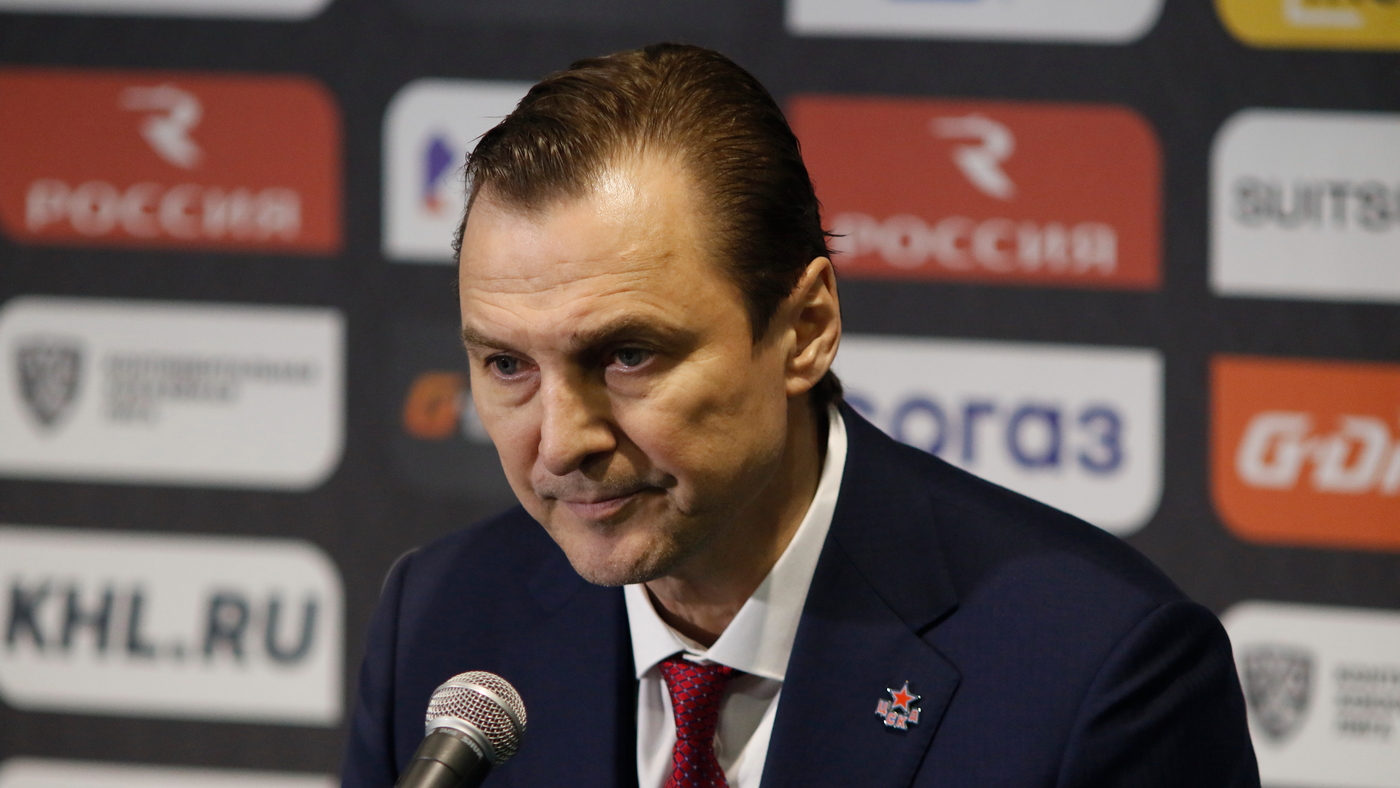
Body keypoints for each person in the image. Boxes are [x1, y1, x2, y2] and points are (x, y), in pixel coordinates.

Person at [343, 43, 1259, 788]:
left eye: (628, 355)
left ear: (806, 330)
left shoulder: (1096, 672)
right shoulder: (442, 620)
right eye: (507, 365)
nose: (560, 440)